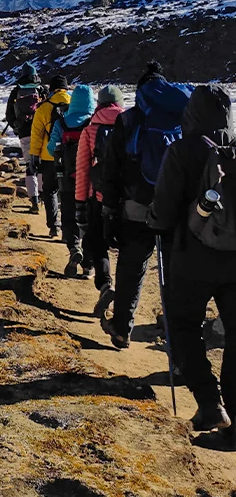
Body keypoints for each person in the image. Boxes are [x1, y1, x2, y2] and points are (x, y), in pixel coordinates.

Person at [149, 85, 236, 445]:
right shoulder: (233, 150)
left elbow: (164, 212)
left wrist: (154, 220)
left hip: (190, 259)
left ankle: (209, 402)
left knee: (184, 327)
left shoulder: (182, 150)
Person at [99, 61, 192, 349]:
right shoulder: (183, 119)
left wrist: (109, 210)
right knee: (175, 274)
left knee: (132, 266)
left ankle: (122, 328)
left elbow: (111, 171)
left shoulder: (127, 121)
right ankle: (178, 339)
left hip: (135, 207)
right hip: (175, 209)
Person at [75, 85, 125, 313]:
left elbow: (83, 169)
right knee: (129, 249)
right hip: (127, 197)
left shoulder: (91, 128)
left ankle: (105, 283)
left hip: (99, 196)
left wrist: (80, 203)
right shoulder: (133, 124)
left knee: (98, 243)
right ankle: (126, 304)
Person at [48, 84, 96, 276]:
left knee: (68, 216)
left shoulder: (61, 123)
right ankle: (88, 265)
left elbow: (52, 148)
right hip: (90, 181)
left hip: (67, 178)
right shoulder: (93, 123)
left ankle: (74, 249)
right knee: (90, 219)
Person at [30, 75, 72, 237]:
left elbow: (37, 135)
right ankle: (71, 232)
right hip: (73, 156)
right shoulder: (75, 104)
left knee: (50, 191)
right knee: (70, 193)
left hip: (49, 156)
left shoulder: (44, 108)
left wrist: (34, 156)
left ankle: (54, 226)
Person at [5, 63, 45, 214]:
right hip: (41, 131)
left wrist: (17, 127)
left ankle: (33, 201)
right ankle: (42, 197)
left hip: (25, 133)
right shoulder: (42, 90)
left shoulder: (16, 91)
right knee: (41, 165)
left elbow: (9, 114)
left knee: (30, 166)